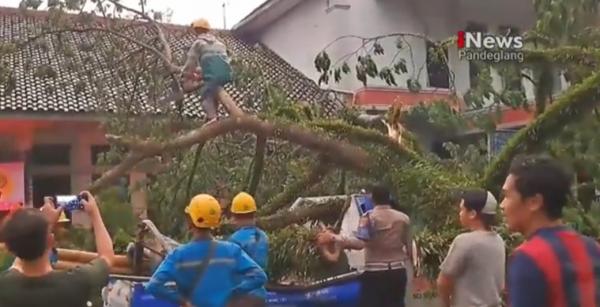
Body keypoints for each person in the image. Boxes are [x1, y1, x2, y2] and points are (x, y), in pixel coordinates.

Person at [501, 155, 600, 307]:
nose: (502, 205)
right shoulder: (592, 248)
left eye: (507, 196)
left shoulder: (528, 258)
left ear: (534, 202)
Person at [146, 194, 267, 307]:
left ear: (190, 222)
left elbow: (154, 285)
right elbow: (259, 276)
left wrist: (183, 301)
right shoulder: (231, 251)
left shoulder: (178, 255)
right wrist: (232, 293)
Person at [0, 191, 114, 307]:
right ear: (51, 241)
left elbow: (20, 249)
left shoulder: (4, 287)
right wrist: (94, 213)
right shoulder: (76, 283)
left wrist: (46, 225)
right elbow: (107, 257)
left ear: (9, 247)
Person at [318, 184, 412, 307]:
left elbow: (359, 243)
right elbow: (409, 245)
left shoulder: (368, 218)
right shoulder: (404, 218)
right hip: (397, 272)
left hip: (375, 274)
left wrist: (334, 237)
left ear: (372, 199)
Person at [437, 189, 505, 307]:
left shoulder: (464, 241)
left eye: (462, 209)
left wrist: (446, 304)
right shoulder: (499, 240)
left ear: (472, 214)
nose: (459, 213)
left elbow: (444, 281)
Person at [182, 18, 233, 125]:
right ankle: (215, 113)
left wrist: (185, 76)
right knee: (213, 89)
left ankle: (212, 118)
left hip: (212, 75)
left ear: (197, 30)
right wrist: (202, 73)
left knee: (206, 95)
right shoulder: (220, 44)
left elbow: (190, 62)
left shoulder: (198, 43)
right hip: (226, 74)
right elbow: (220, 60)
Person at [228, 192, 269, 305]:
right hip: (260, 296)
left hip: (241, 297)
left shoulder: (234, 240)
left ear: (235, 216)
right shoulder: (263, 237)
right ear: (254, 214)